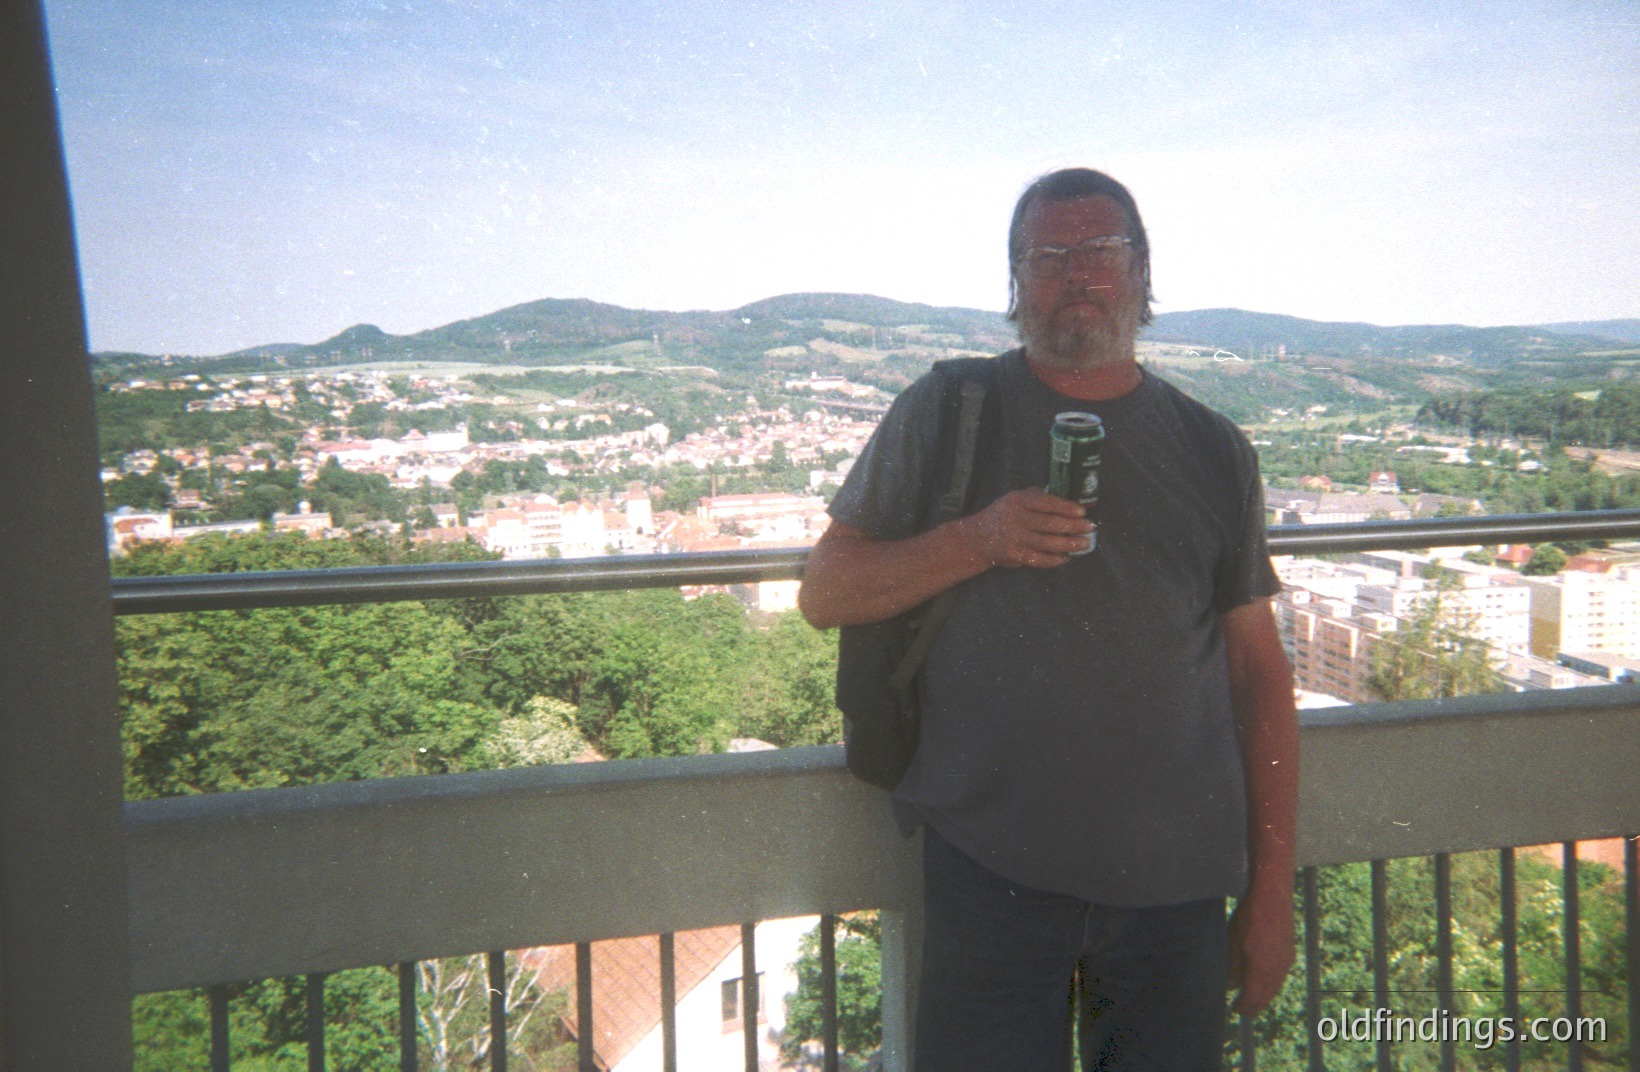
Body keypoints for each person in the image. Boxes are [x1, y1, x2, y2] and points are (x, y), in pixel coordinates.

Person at [798, 168, 1297, 1071]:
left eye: (1101, 252)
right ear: (1015, 283)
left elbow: (1260, 673)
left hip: (1175, 891)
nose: (1078, 276)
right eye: (1049, 256)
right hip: (990, 877)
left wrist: (1271, 892)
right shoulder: (946, 409)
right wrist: (977, 539)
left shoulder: (1215, 449)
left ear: (1143, 273)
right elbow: (825, 592)